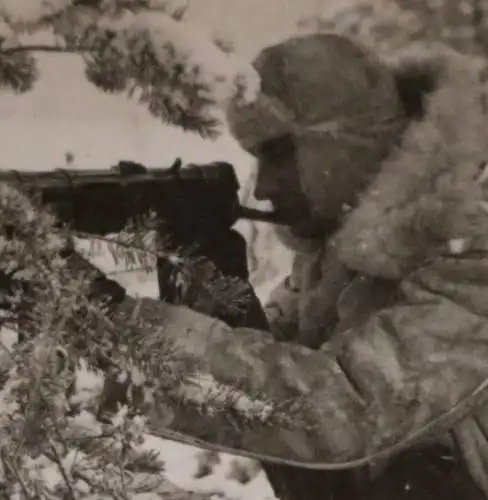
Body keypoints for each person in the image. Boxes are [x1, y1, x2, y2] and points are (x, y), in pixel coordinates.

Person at [103, 33, 488, 499]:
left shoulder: (473, 247)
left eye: (280, 152)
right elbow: (272, 375)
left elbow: (348, 413)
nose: (262, 187)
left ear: (350, 138)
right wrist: (214, 292)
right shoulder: (344, 259)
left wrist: (115, 321)